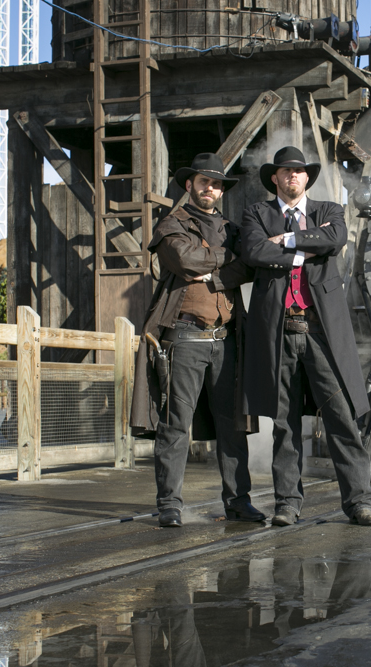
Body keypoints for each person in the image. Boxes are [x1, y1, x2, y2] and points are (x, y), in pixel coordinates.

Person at [240, 146, 371, 527]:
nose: (292, 177)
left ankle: (359, 502)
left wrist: (285, 243)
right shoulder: (257, 213)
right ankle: (287, 504)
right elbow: (252, 250)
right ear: (275, 177)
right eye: (285, 171)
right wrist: (307, 249)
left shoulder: (328, 211)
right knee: (284, 424)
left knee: (341, 417)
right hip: (279, 330)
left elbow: (333, 239)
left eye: (299, 171)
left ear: (307, 178)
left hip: (322, 332)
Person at [130, 152, 263, 528]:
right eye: (204, 181)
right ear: (190, 185)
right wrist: (224, 257)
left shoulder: (233, 228)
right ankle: (169, 504)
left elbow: (250, 263)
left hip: (227, 339)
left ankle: (238, 501)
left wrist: (215, 272)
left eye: (217, 183)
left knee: (232, 425)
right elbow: (184, 260)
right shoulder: (172, 223)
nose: (211, 188)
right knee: (175, 424)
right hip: (184, 338)